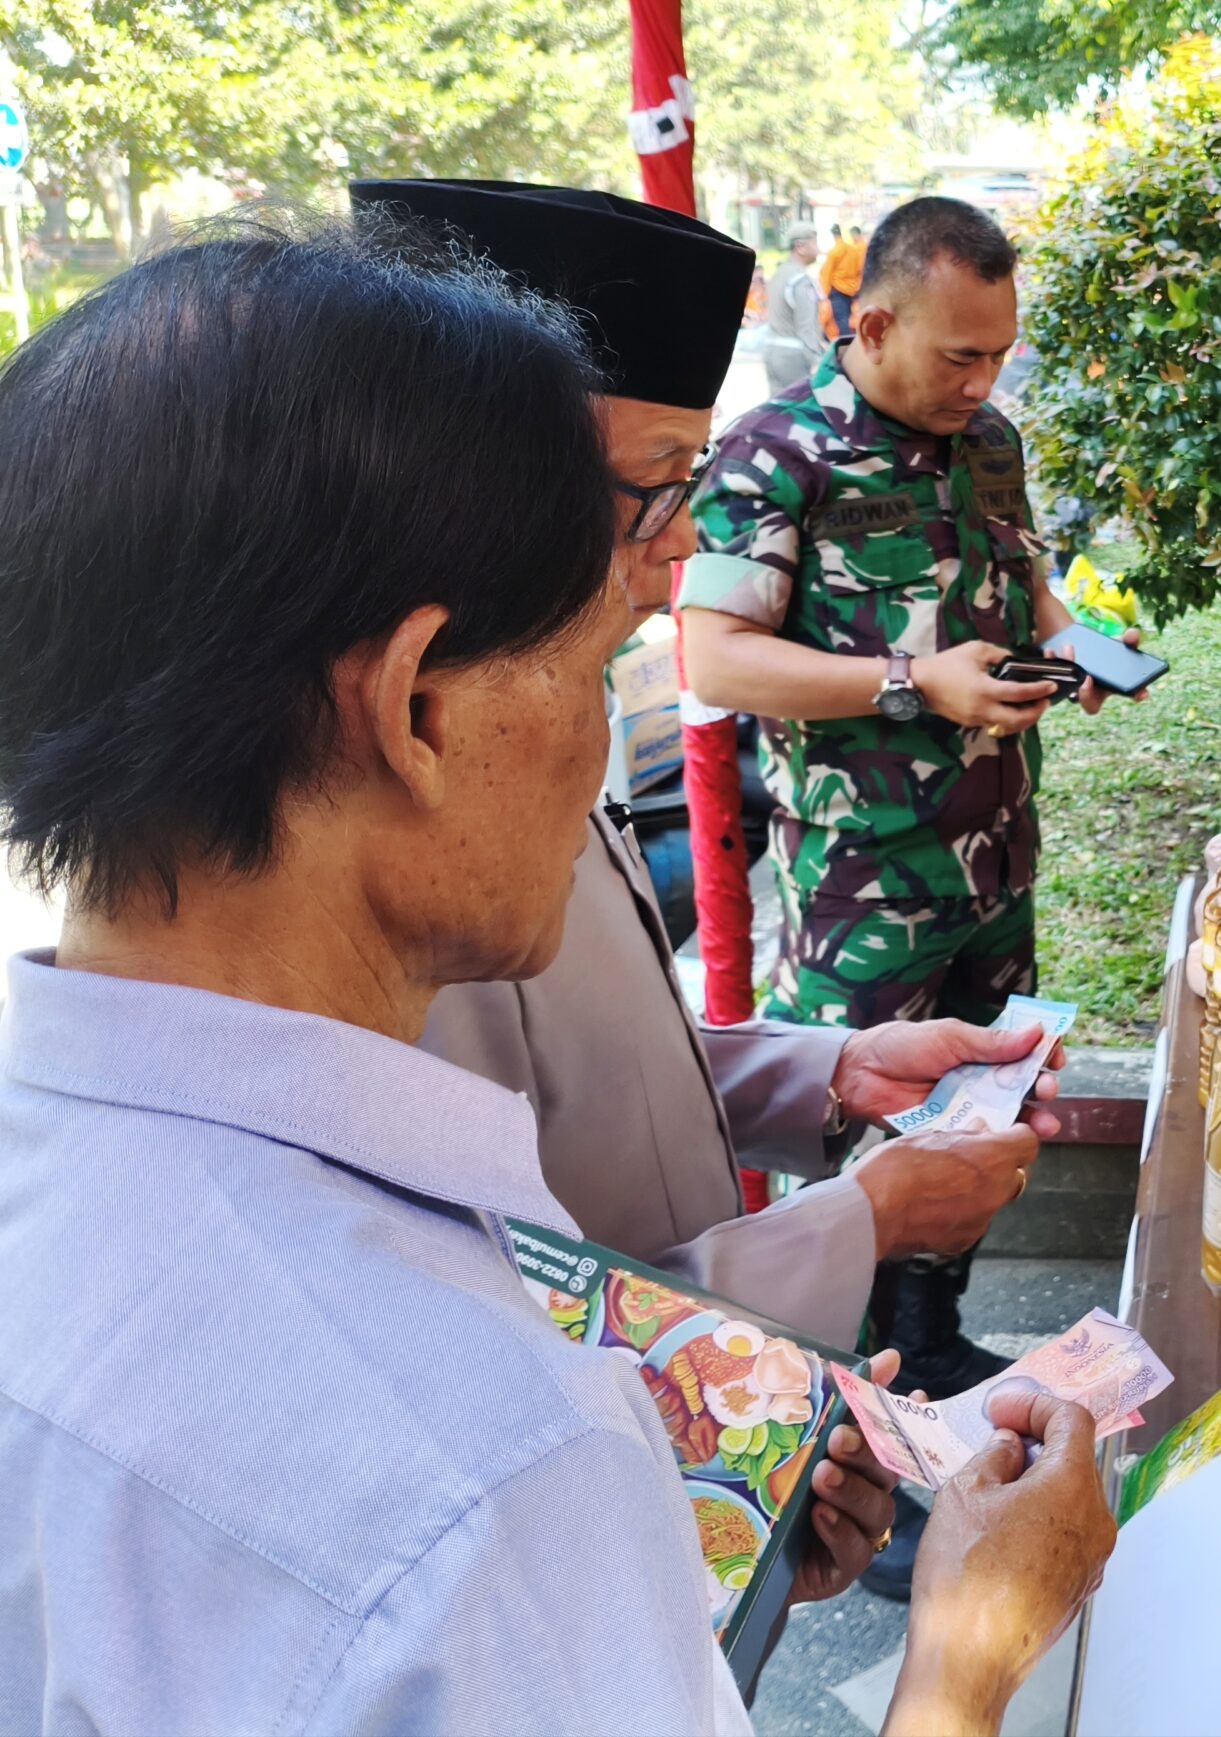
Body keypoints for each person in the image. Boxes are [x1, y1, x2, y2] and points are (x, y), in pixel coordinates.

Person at [0, 223, 1113, 1733]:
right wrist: (970, 1649)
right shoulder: (495, 1475)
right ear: (416, 709)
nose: (606, 741)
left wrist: (814, 1091)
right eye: (598, 666)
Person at [353, 183, 1058, 1603]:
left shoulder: (537, 717)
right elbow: (534, 1305)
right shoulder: (398, 854)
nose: (681, 556)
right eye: (659, 490)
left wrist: (831, 1070)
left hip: (702, 1458)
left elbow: (614, 1049)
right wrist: (860, 1217)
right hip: (612, 1509)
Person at [685, 195, 1148, 1397]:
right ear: (875, 322)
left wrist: (1078, 645)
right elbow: (716, 658)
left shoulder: (990, 440)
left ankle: (930, 1351)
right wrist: (911, 684)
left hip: (995, 863)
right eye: (959, 354)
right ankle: (836, 1426)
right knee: (858, 1152)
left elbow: (1022, 583)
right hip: (861, 877)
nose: (983, 379)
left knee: (981, 1125)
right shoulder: (778, 452)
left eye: (998, 351)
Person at [766, 219, 828, 393]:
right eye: (814, 243)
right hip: (794, 357)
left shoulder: (779, 274)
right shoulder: (801, 281)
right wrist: (816, 360)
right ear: (801, 247)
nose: (818, 248)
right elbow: (805, 326)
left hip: (772, 351)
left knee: (778, 412)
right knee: (802, 413)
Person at [823, 211, 868, 337]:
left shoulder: (834, 252)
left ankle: (845, 344)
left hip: (838, 289)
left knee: (842, 319)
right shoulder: (853, 250)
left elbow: (827, 274)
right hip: (853, 288)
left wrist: (825, 293)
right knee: (851, 316)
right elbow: (860, 268)